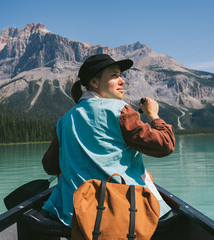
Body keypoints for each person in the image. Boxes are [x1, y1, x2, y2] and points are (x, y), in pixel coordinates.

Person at [41, 54, 175, 227]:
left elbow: (50, 166)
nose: (122, 81)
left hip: (74, 217)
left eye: (120, 75)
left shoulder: (64, 120)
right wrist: (154, 116)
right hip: (124, 215)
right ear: (94, 83)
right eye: (114, 75)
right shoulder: (120, 111)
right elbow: (164, 145)